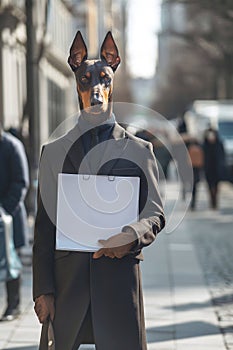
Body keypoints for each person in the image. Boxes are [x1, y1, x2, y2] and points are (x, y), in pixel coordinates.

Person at [33, 31, 165, 350]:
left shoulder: (140, 150)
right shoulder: (53, 153)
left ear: (112, 74)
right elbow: (44, 227)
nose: (95, 89)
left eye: (103, 79)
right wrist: (42, 290)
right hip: (68, 290)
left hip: (119, 287)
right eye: (86, 80)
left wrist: (131, 234)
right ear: (77, 80)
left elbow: (155, 213)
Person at [0, 125, 29, 321]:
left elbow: (21, 182)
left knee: (12, 262)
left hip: (10, 215)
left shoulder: (12, 146)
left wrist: (4, 210)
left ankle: (14, 305)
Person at [203, 128, 225, 209]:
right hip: (207, 169)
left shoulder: (219, 144)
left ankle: (215, 201)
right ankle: (211, 201)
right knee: (209, 186)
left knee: (216, 186)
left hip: (217, 168)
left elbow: (222, 156)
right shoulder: (204, 145)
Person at [187, 138, 204, 210]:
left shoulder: (190, 149)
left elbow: (188, 161)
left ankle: (192, 203)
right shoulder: (200, 149)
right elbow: (201, 162)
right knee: (195, 188)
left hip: (191, 171)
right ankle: (193, 202)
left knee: (192, 188)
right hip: (197, 171)